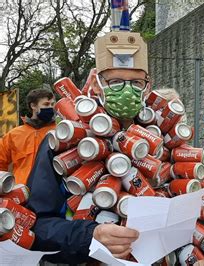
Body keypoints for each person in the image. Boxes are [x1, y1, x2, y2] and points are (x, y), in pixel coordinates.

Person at [26, 31, 150, 263]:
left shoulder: (159, 138)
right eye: (114, 82)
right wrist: (90, 235)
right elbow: (36, 225)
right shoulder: (59, 145)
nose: (126, 91)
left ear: (147, 86)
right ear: (96, 83)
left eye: (136, 83)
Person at [0, 88, 56, 185]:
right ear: (33, 106)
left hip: (51, 193)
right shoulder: (14, 134)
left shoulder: (59, 132)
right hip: (21, 192)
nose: (50, 108)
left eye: (52, 104)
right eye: (46, 104)